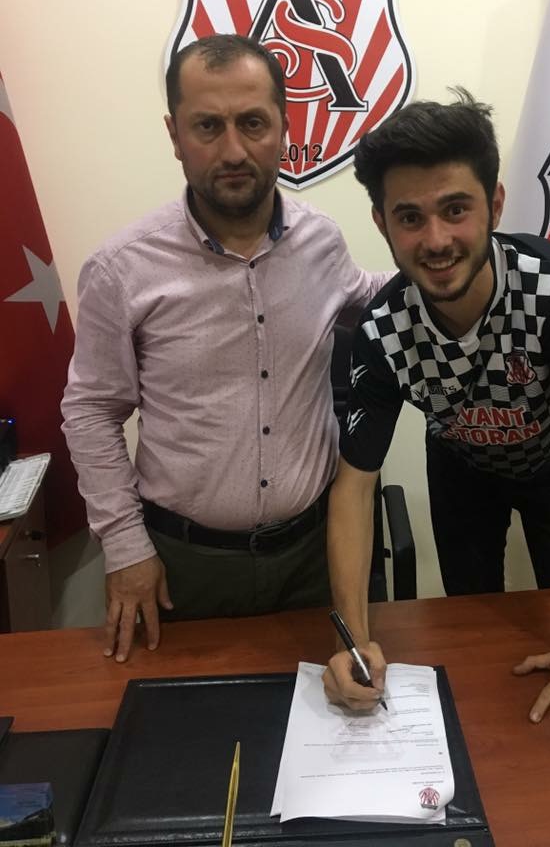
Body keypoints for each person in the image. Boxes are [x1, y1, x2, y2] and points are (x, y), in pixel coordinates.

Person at [323, 90, 550, 742]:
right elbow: (353, 489)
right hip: (461, 470)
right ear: (382, 223)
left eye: (456, 209)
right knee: (474, 633)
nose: (436, 240)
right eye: (410, 217)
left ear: (494, 205)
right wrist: (352, 642)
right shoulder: (380, 330)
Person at [61, 34, 387, 663]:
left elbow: (366, 293)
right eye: (208, 126)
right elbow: (92, 410)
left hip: (314, 556)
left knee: (325, 714)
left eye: (253, 123)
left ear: (284, 128)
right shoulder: (121, 268)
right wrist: (125, 546)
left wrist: (457, 262)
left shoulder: (321, 242)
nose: (233, 150)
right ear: (175, 134)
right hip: (184, 568)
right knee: (182, 723)